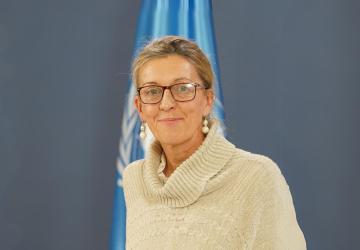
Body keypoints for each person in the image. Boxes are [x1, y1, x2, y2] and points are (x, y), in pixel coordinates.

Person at [122, 36, 306, 249]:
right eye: (152, 91)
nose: (166, 103)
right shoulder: (135, 179)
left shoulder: (256, 177)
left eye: (183, 88)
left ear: (208, 100)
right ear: (140, 107)